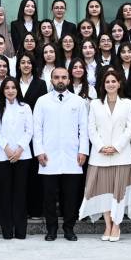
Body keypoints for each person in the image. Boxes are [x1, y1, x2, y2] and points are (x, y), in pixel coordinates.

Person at [33, 65, 89, 242]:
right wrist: (39, 151)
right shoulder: (42, 101)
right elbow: (37, 129)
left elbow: (84, 129)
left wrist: (83, 151)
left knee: (70, 196)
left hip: (73, 156)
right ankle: (51, 229)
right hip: (48, 156)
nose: (60, 80)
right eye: (56, 77)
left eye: (64, 77)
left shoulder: (78, 101)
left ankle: (69, 228)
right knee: (49, 196)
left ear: (69, 80)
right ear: (51, 80)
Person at [82, 68, 131, 242]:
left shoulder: (129, 104)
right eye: (107, 82)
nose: (111, 84)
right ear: (103, 85)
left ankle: (116, 226)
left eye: (114, 81)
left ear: (119, 84)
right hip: (100, 156)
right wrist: (101, 147)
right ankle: (107, 225)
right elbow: (91, 128)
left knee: (119, 193)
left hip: (122, 155)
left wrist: (116, 147)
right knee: (104, 193)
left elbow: (130, 129)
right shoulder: (95, 104)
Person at [0, 77, 33, 240]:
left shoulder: (25, 107)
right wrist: (7, 148)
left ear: (17, 90)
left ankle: (21, 231)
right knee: (5, 194)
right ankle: (7, 231)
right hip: (2, 156)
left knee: (20, 193)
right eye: (7, 88)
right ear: (2, 90)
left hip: (23, 156)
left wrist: (20, 149)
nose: (10, 91)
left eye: (13, 87)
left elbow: (29, 131)